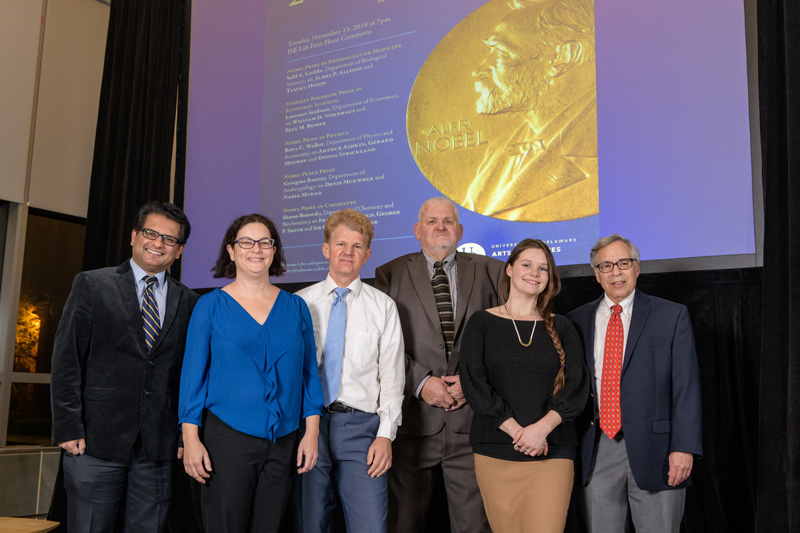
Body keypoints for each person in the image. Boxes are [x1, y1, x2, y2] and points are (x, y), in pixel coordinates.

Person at [50, 201, 199, 532]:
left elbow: (187, 374)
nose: (158, 243)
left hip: (157, 448)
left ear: (179, 251)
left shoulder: (190, 302)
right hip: (93, 442)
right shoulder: (92, 284)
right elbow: (67, 360)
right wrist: (67, 426)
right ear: (134, 236)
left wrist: (184, 435)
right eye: (151, 233)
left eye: (169, 239)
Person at [178, 214, 323, 533]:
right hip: (226, 439)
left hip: (284, 440)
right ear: (231, 251)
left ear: (274, 251)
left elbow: (309, 376)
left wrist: (310, 434)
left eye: (265, 242)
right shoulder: (210, 306)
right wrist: (190, 439)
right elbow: (192, 377)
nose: (255, 249)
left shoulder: (297, 307)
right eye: (246, 241)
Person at [374, 196, 504, 533]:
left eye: (448, 221)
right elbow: (382, 346)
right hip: (412, 426)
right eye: (432, 221)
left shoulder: (492, 271)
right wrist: (421, 382)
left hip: (471, 424)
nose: (440, 227)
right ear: (418, 230)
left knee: (474, 526)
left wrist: (471, 381)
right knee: (403, 524)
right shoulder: (390, 274)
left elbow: (505, 341)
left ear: (460, 230)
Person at [567, 234, 702, 533]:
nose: (616, 272)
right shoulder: (576, 320)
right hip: (596, 448)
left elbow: (686, 388)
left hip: (660, 451)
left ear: (637, 268)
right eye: (606, 265)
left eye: (623, 263)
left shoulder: (671, 315)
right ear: (596, 274)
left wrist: (684, 447)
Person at [460, 239, 588, 532]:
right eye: (527, 265)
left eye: (543, 268)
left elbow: (576, 385)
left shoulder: (563, 326)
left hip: (553, 452)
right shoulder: (481, 323)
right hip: (496, 451)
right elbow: (474, 383)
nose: (535, 273)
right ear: (509, 270)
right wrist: (519, 433)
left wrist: (540, 430)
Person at [294, 209, 405, 532]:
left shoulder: (383, 307)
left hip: (362, 430)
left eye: (357, 246)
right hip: (309, 426)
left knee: (370, 525)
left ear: (368, 254)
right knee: (311, 524)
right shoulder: (300, 303)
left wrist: (385, 435)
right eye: (341, 244)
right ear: (326, 249)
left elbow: (393, 379)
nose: (348, 252)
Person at [464, 0, 598, 222]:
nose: (477, 70)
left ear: (561, 57)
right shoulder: (497, 152)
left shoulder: (604, 145)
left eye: (499, 53)